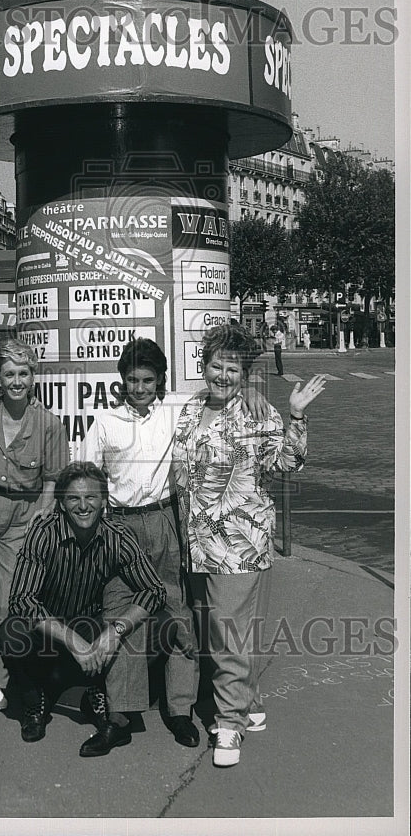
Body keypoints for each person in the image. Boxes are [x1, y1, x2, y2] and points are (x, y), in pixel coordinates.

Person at [172, 323, 326, 767]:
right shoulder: (192, 406)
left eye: (233, 369)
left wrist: (295, 415)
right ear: (205, 366)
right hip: (197, 543)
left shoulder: (258, 415)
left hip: (239, 544)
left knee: (229, 639)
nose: (223, 375)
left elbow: (286, 462)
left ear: (245, 375)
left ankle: (229, 727)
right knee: (223, 633)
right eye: (217, 365)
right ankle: (250, 703)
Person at [79, 338, 201, 747]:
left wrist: (254, 394)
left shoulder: (178, 409)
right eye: (132, 380)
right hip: (119, 527)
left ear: (161, 379)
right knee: (120, 615)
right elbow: (83, 477)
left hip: (164, 520)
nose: (140, 388)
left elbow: (222, 394)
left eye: (148, 380)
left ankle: (180, 709)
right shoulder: (107, 421)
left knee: (176, 610)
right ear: (122, 381)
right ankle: (120, 717)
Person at [0, 462, 166, 757]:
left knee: (160, 625)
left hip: (92, 623)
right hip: (49, 627)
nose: (83, 506)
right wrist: (73, 642)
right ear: (61, 503)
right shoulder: (43, 533)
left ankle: (97, 689)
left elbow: (154, 590)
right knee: (11, 632)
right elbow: (22, 600)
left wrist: (115, 632)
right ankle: (34, 699)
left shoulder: (118, 535)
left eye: (91, 497)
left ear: (104, 501)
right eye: (74, 498)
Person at [0, 339, 69, 713]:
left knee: (8, 601)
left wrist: (44, 510)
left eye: (24, 373)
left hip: (24, 514)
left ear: (34, 377)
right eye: (9, 374)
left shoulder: (49, 424)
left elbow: (54, 476)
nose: (17, 381)